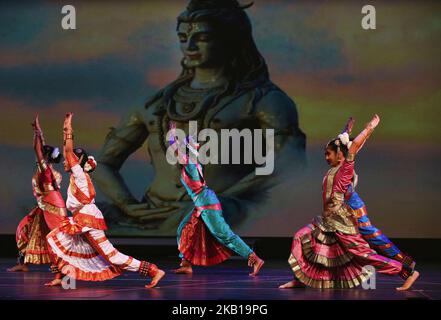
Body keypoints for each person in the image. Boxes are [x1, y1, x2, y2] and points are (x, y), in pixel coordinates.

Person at [94, 0, 306, 235]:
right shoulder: (155, 104)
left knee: (202, 216)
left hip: (221, 209)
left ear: (231, 40)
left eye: (202, 38)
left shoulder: (262, 100)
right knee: (89, 218)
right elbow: (102, 163)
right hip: (152, 211)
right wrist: (128, 205)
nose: (190, 46)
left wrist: (224, 197)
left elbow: (289, 162)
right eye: (183, 38)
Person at [279, 115, 419, 291]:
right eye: (325, 153)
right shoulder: (333, 169)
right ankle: (299, 279)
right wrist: (345, 130)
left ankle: (406, 271)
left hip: (342, 223)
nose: (325, 157)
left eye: (328, 153)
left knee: (365, 254)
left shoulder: (345, 170)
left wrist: (369, 128)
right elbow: (345, 144)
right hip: (326, 221)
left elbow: (352, 148)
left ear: (339, 154)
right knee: (301, 237)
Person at [45, 112, 165, 288]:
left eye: (70, 160)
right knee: (55, 239)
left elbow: (68, 150)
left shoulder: (78, 173)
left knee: (112, 255)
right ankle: (61, 276)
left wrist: (67, 129)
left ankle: (153, 270)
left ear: (77, 161)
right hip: (82, 218)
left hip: (87, 220)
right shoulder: (76, 176)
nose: (65, 161)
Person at [168, 121, 264, 276]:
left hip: (206, 204)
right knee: (183, 229)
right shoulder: (193, 162)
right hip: (202, 203)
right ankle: (185, 263)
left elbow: (177, 151)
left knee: (224, 235)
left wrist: (173, 135)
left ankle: (254, 258)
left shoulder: (191, 164)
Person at [8, 115, 67, 281]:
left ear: (45, 157)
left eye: (42, 154)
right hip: (44, 206)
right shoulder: (48, 171)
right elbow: (40, 151)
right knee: (23, 230)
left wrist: (37, 133)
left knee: (57, 239)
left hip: (51, 207)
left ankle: (62, 275)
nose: (38, 156)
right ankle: (23, 263)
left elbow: (37, 150)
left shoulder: (46, 171)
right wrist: (41, 136)